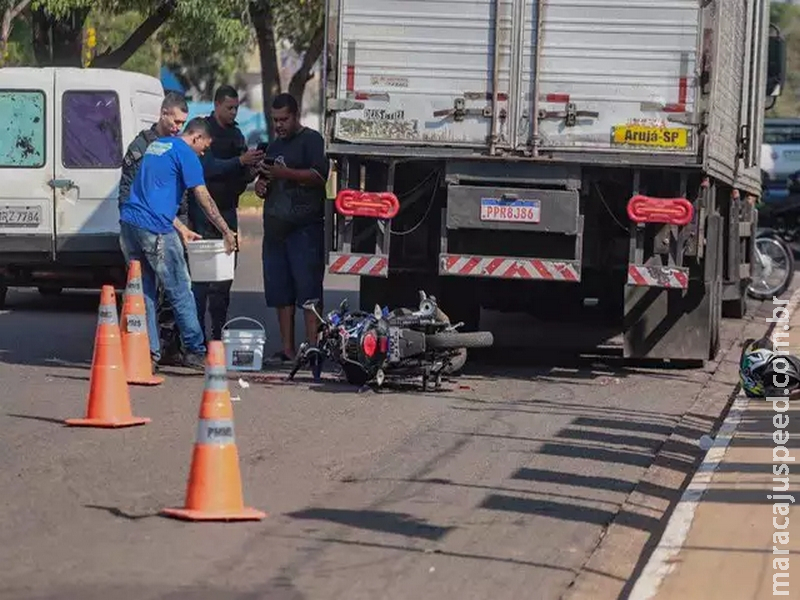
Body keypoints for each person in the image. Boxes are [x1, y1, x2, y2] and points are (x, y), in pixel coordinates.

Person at [119, 117, 237, 370]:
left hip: (130, 224)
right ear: (195, 137)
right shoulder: (186, 154)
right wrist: (226, 230)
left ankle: (148, 353)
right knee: (181, 289)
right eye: (204, 146)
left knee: (144, 292)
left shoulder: (157, 146)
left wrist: (181, 228)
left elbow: (151, 194)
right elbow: (203, 197)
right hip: (155, 229)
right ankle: (195, 349)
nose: (204, 152)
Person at [253, 93, 329, 362]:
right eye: (275, 120)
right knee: (280, 292)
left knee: (308, 291)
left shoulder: (312, 140)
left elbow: (320, 176)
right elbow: (264, 180)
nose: (279, 125)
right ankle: (286, 349)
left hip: (305, 229)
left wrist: (287, 174)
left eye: (284, 119)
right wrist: (261, 187)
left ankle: (313, 349)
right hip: (275, 231)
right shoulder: (273, 146)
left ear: (296, 115)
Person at [118, 91, 190, 367]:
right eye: (176, 121)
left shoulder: (176, 145)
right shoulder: (142, 147)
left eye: (183, 123)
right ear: (163, 114)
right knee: (147, 290)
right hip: (147, 225)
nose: (178, 128)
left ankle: (171, 347)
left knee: (175, 289)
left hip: (175, 223)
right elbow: (131, 194)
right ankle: (149, 352)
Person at [188, 85, 263, 342]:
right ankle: (195, 337)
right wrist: (238, 163)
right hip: (202, 214)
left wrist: (251, 169)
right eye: (229, 108)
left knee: (224, 278)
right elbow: (206, 169)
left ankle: (216, 333)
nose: (233, 113)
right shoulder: (203, 131)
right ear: (216, 104)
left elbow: (239, 176)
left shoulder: (236, 135)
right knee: (199, 280)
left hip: (228, 211)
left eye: (236, 108)